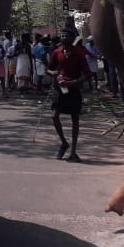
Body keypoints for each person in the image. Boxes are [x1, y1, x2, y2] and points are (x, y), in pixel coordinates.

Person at [46, 30, 90, 162]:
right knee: (54, 116)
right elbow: (48, 69)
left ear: (72, 38)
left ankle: (73, 151)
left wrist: (73, 82)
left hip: (74, 90)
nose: (64, 38)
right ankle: (64, 142)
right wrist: (53, 73)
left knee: (75, 120)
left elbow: (88, 75)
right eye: (63, 36)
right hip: (59, 89)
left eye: (67, 36)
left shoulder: (79, 55)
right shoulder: (56, 52)